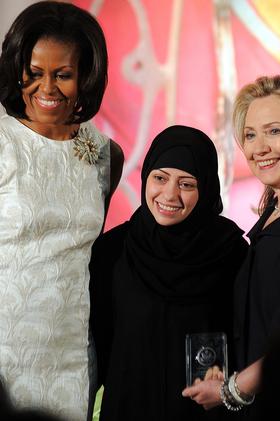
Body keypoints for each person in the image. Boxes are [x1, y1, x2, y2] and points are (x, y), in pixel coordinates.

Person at [0, 2, 124, 421]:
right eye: (33, 72)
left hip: (71, 354)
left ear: (86, 76)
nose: (46, 88)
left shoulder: (107, 155)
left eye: (62, 74)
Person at [89, 124, 248, 421]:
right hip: (129, 405)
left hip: (205, 409)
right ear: (146, 176)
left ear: (206, 188)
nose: (170, 194)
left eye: (187, 184)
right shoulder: (113, 250)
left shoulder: (231, 253)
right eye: (160, 178)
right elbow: (97, 342)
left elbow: (247, 336)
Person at [182, 74, 280, 418]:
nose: (259, 148)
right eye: (250, 135)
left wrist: (232, 390)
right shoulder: (275, 211)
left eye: (274, 131)